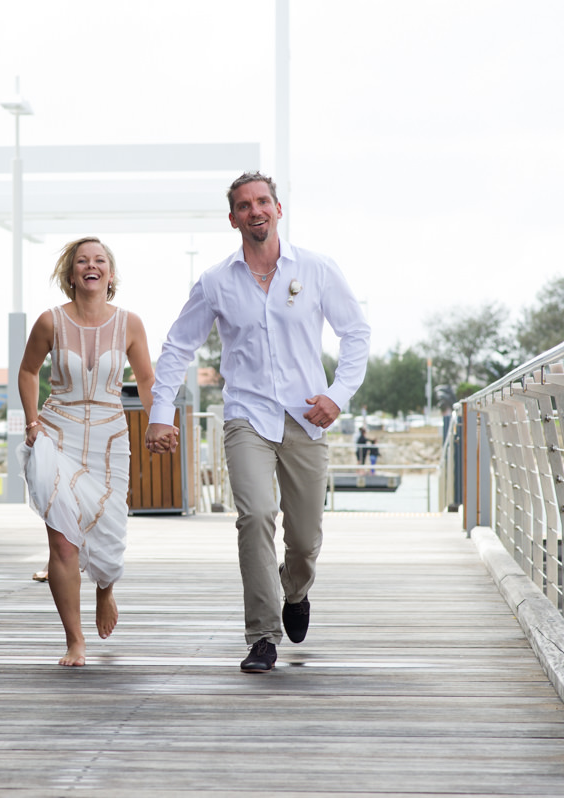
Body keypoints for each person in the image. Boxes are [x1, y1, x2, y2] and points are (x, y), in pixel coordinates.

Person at [145, 172, 370, 674]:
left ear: (278, 209)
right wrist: (161, 412)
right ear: (233, 218)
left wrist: (337, 396)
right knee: (255, 516)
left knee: (306, 537)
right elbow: (178, 345)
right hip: (246, 415)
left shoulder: (316, 269)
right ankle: (263, 635)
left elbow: (355, 333)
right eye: (244, 206)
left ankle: (296, 590)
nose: (255, 211)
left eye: (262, 201)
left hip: (306, 416)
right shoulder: (215, 282)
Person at [18, 236, 156, 667]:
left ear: (110, 275)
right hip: (57, 432)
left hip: (110, 440)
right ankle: (74, 640)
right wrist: (31, 421)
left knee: (110, 535)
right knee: (62, 539)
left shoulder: (130, 323)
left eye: (99, 261)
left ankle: (105, 588)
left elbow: (148, 380)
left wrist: (158, 422)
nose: (90, 267)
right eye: (82, 261)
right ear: (71, 273)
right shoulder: (49, 322)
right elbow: (27, 371)